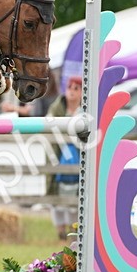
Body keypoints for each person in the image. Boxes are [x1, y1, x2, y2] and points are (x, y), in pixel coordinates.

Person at [46, 76, 83, 239]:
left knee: (77, 193)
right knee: (55, 191)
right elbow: (48, 129)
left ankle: (72, 231)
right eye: (70, 87)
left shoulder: (85, 111)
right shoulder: (56, 108)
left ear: (82, 92)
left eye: (76, 88)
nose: (72, 91)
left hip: (78, 156)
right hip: (57, 154)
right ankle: (60, 232)